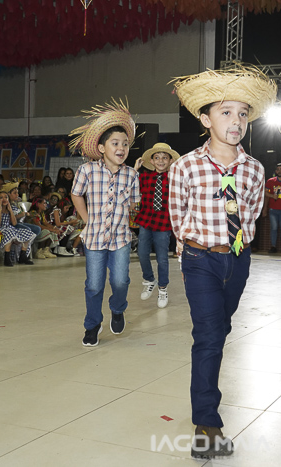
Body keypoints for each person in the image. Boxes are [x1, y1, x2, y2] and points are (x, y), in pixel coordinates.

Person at [168, 64, 276, 458]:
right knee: (210, 336)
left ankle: (206, 400)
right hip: (200, 259)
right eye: (226, 112)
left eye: (243, 114)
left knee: (221, 329)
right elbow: (177, 214)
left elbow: (253, 212)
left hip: (238, 261)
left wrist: (238, 245)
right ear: (205, 119)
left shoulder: (254, 169)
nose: (236, 121)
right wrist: (190, 246)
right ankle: (207, 425)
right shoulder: (185, 166)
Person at [70, 99, 140, 347]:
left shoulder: (131, 174)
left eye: (125, 144)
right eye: (115, 143)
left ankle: (117, 309)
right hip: (94, 238)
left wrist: (131, 205)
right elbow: (76, 194)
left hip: (120, 238)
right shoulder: (87, 171)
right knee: (94, 285)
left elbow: (133, 204)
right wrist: (87, 220)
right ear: (101, 147)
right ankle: (92, 325)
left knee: (121, 281)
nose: (121, 148)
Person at [133, 142, 180, 308]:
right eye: (157, 158)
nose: (161, 161)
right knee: (142, 253)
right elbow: (130, 186)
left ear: (170, 161)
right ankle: (149, 279)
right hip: (146, 220)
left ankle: (162, 288)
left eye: (165, 158)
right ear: (151, 161)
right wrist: (135, 169)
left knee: (162, 258)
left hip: (163, 222)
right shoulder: (144, 177)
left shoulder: (173, 179)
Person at [0, 190, 36, 267]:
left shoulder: (10, 209)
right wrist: (0, 209)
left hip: (9, 227)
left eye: (6, 197)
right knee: (10, 233)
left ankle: (22, 255)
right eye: (1, 198)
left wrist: (10, 210)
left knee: (28, 233)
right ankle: (7, 257)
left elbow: (14, 223)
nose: (4, 199)